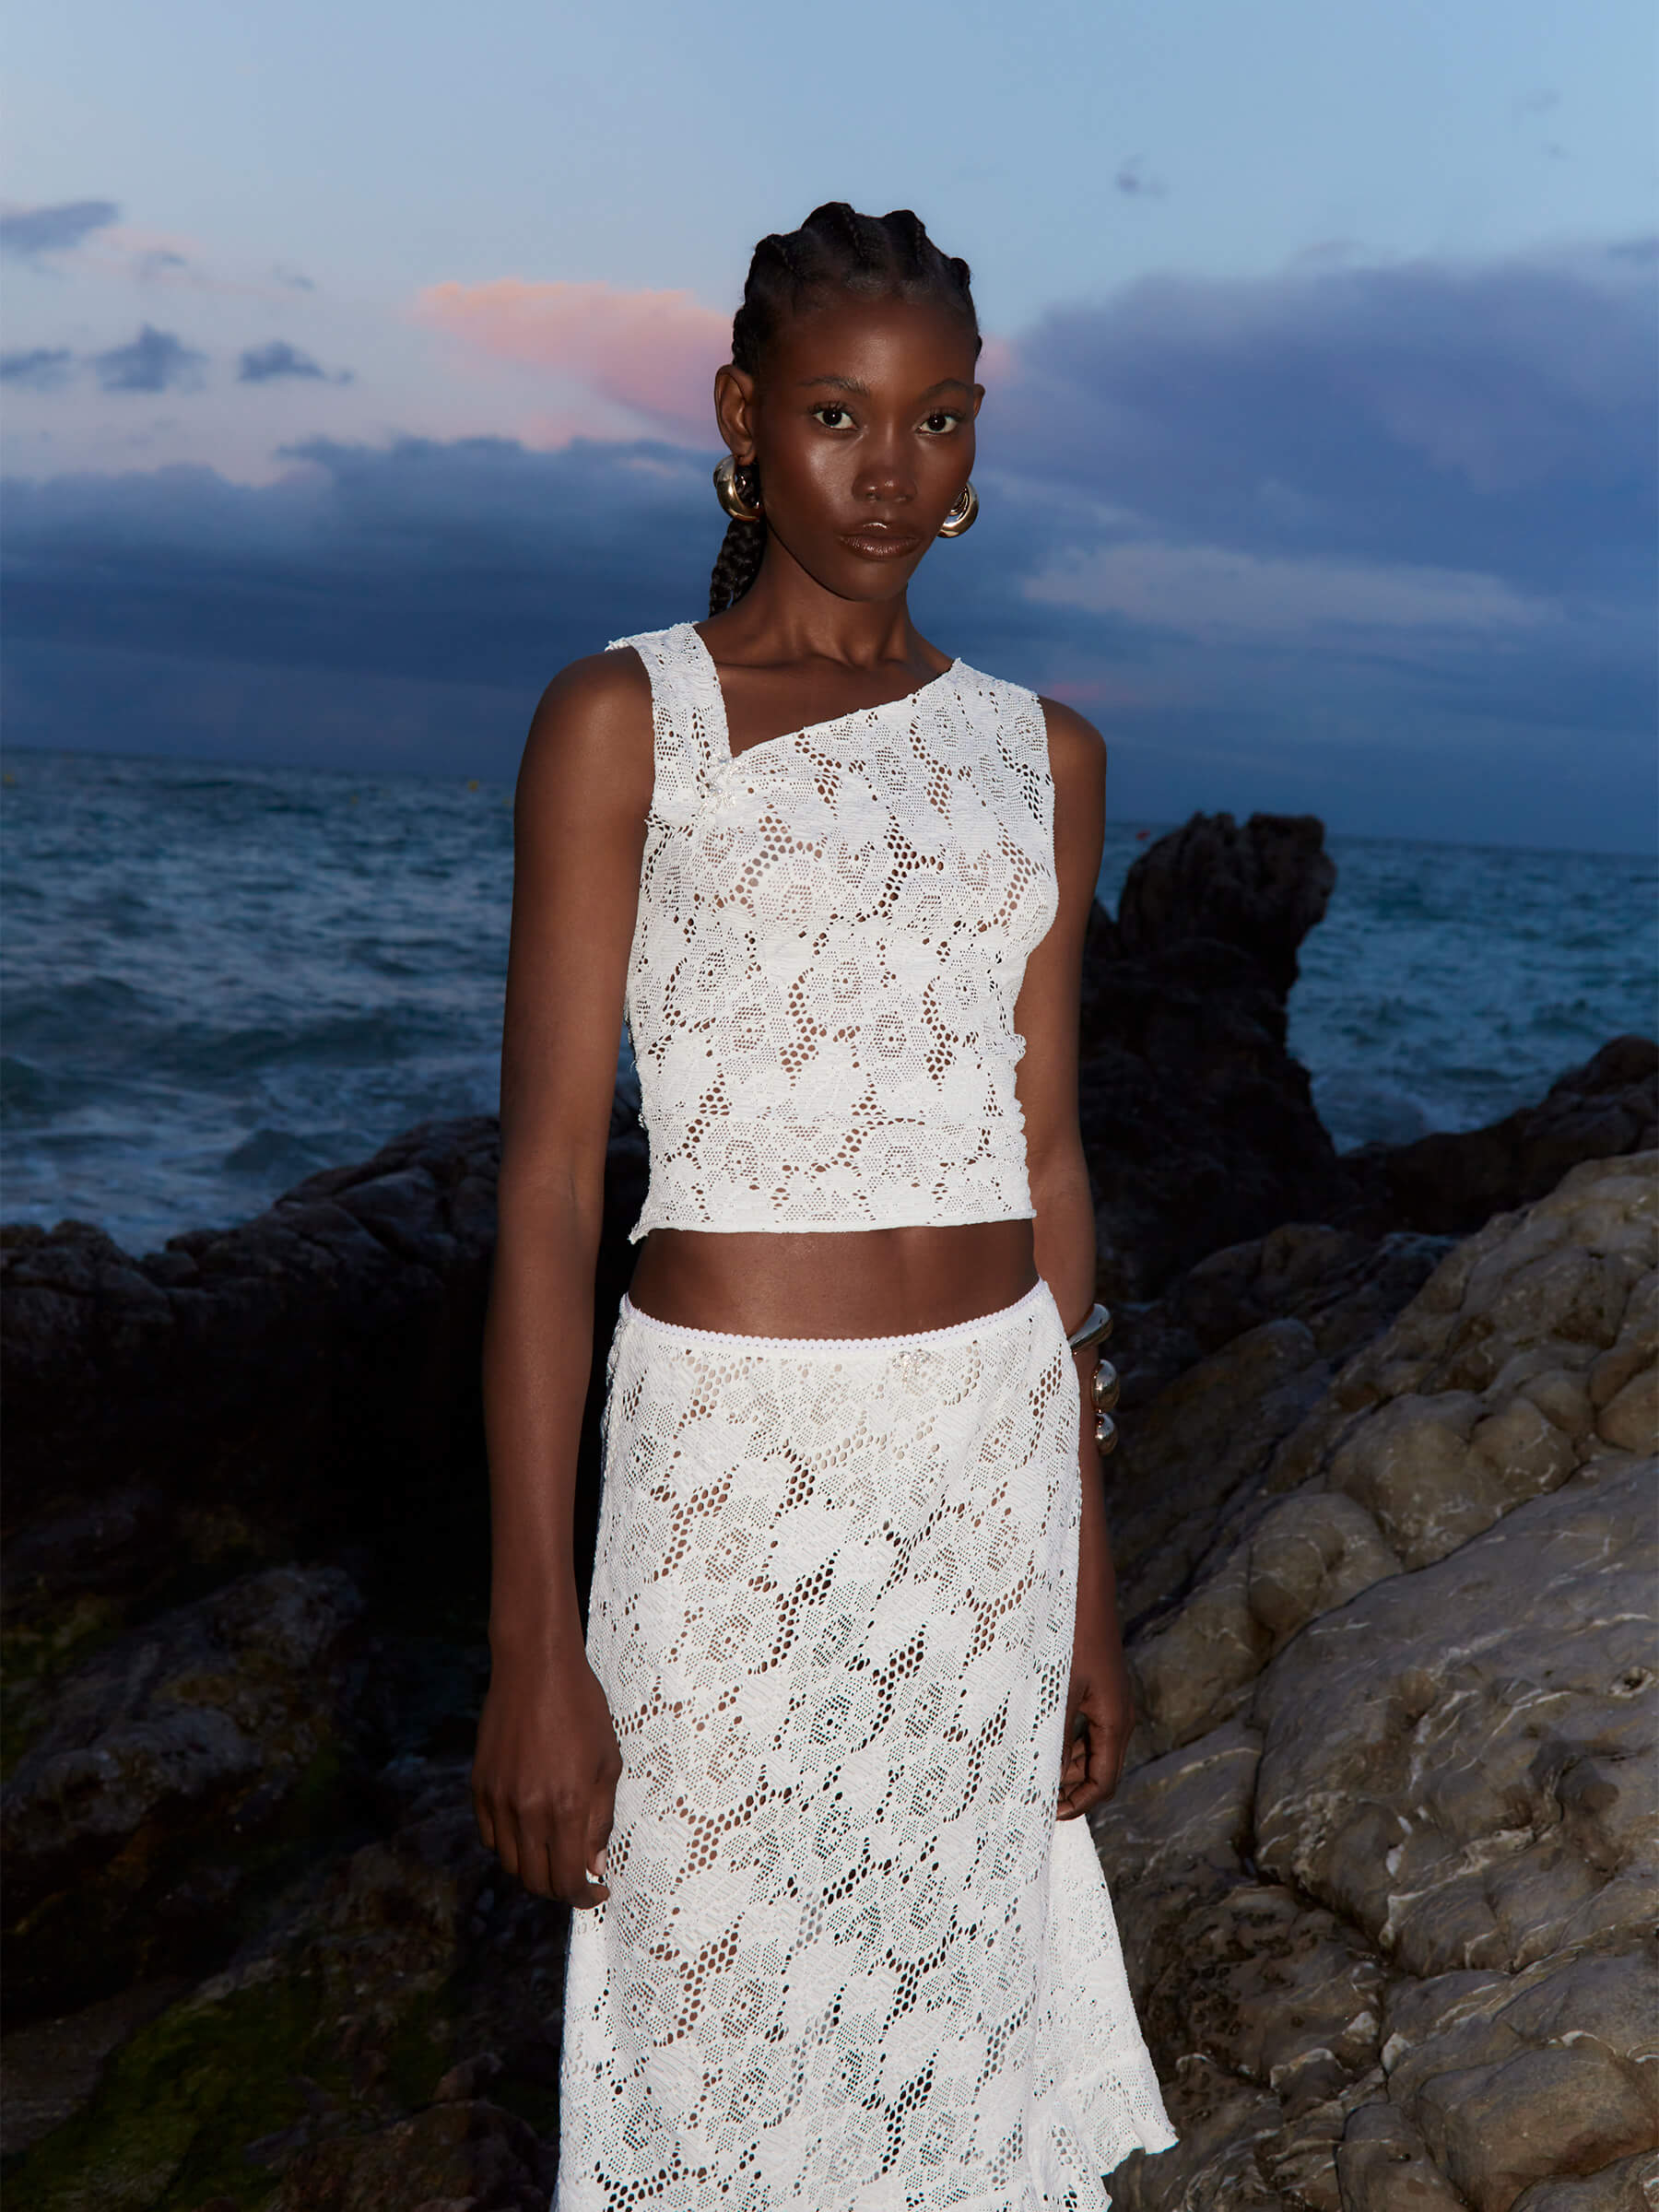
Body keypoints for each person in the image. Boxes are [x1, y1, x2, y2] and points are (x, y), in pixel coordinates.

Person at [473, 202, 1177, 2209]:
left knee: (958, 2074)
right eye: (842, 418)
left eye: (939, 421)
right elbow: (541, 1200)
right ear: (743, 422)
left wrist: (1087, 1594)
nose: (893, 472)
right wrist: (539, 1641)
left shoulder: (1043, 756)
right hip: (727, 1492)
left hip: (985, 1489)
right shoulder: (626, 722)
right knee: (715, 2079)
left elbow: (1048, 1169)